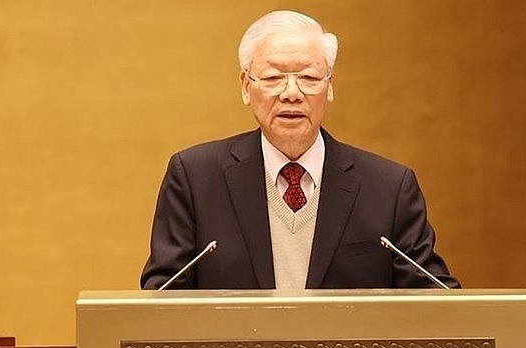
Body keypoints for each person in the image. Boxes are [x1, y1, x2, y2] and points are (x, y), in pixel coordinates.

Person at [140, 10, 460, 290]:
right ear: (245, 86)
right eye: (274, 77)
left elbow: (435, 299)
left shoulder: (390, 188)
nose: (291, 93)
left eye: (308, 77)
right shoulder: (195, 180)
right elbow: (162, 297)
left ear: (329, 86)